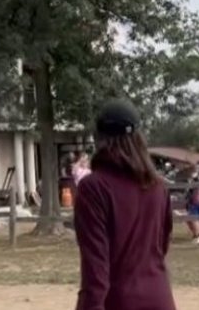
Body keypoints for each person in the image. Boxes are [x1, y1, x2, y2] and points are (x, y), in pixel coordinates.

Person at [74, 98, 176, 310]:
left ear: (100, 138)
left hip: (119, 301)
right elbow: (161, 247)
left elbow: (96, 269)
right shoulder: (158, 186)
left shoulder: (93, 188)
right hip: (160, 297)